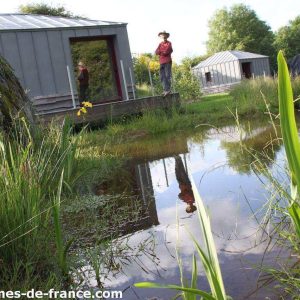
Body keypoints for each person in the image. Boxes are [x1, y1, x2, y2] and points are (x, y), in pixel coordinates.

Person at [155, 31, 173, 97]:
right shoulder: (160, 44)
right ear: (160, 37)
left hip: (167, 61)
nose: (163, 37)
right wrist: (161, 51)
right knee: (162, 76)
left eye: (164, 35)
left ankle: (168, 90)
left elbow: (167, 51)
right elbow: (156, 52)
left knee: (167, 75)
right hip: (161, 62)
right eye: (162, 36)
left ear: (166, 36)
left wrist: (161, 52)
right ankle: (165, 90)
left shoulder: (169, 43)